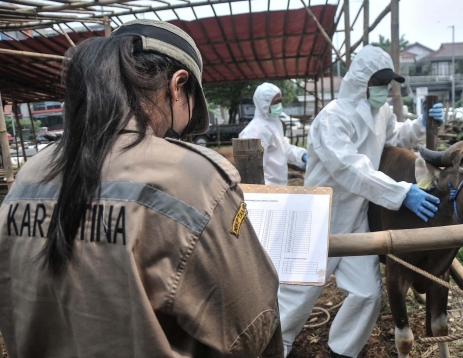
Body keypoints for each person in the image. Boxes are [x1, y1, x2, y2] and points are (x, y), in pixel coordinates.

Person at [0, 20, 281, 358]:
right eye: (190, 115)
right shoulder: (192, 177)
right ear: (178, 85)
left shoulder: (31, 172)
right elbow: (252, 327)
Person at [278, 45, 444, 358]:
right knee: (299, 293)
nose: (384, 91)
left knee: (367, 293)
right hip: (321, 213)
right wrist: (400, 192)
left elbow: (395, 135)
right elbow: (349, 167)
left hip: (356, 218)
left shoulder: (380, 111)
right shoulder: (332, 118)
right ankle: (275, 345)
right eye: (378, 84)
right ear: (360, 81)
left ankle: (342, 350)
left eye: (387, 85)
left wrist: (421, 124)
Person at [239, 83, 307, 185]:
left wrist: (301, 155)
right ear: (264, 104)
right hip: (265, 193)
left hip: (278, 189)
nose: (279, 105)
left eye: (280, 101)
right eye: (276, 102)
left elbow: (283, 148)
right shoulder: (254, 131)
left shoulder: (274, 123)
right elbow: (251, 172)